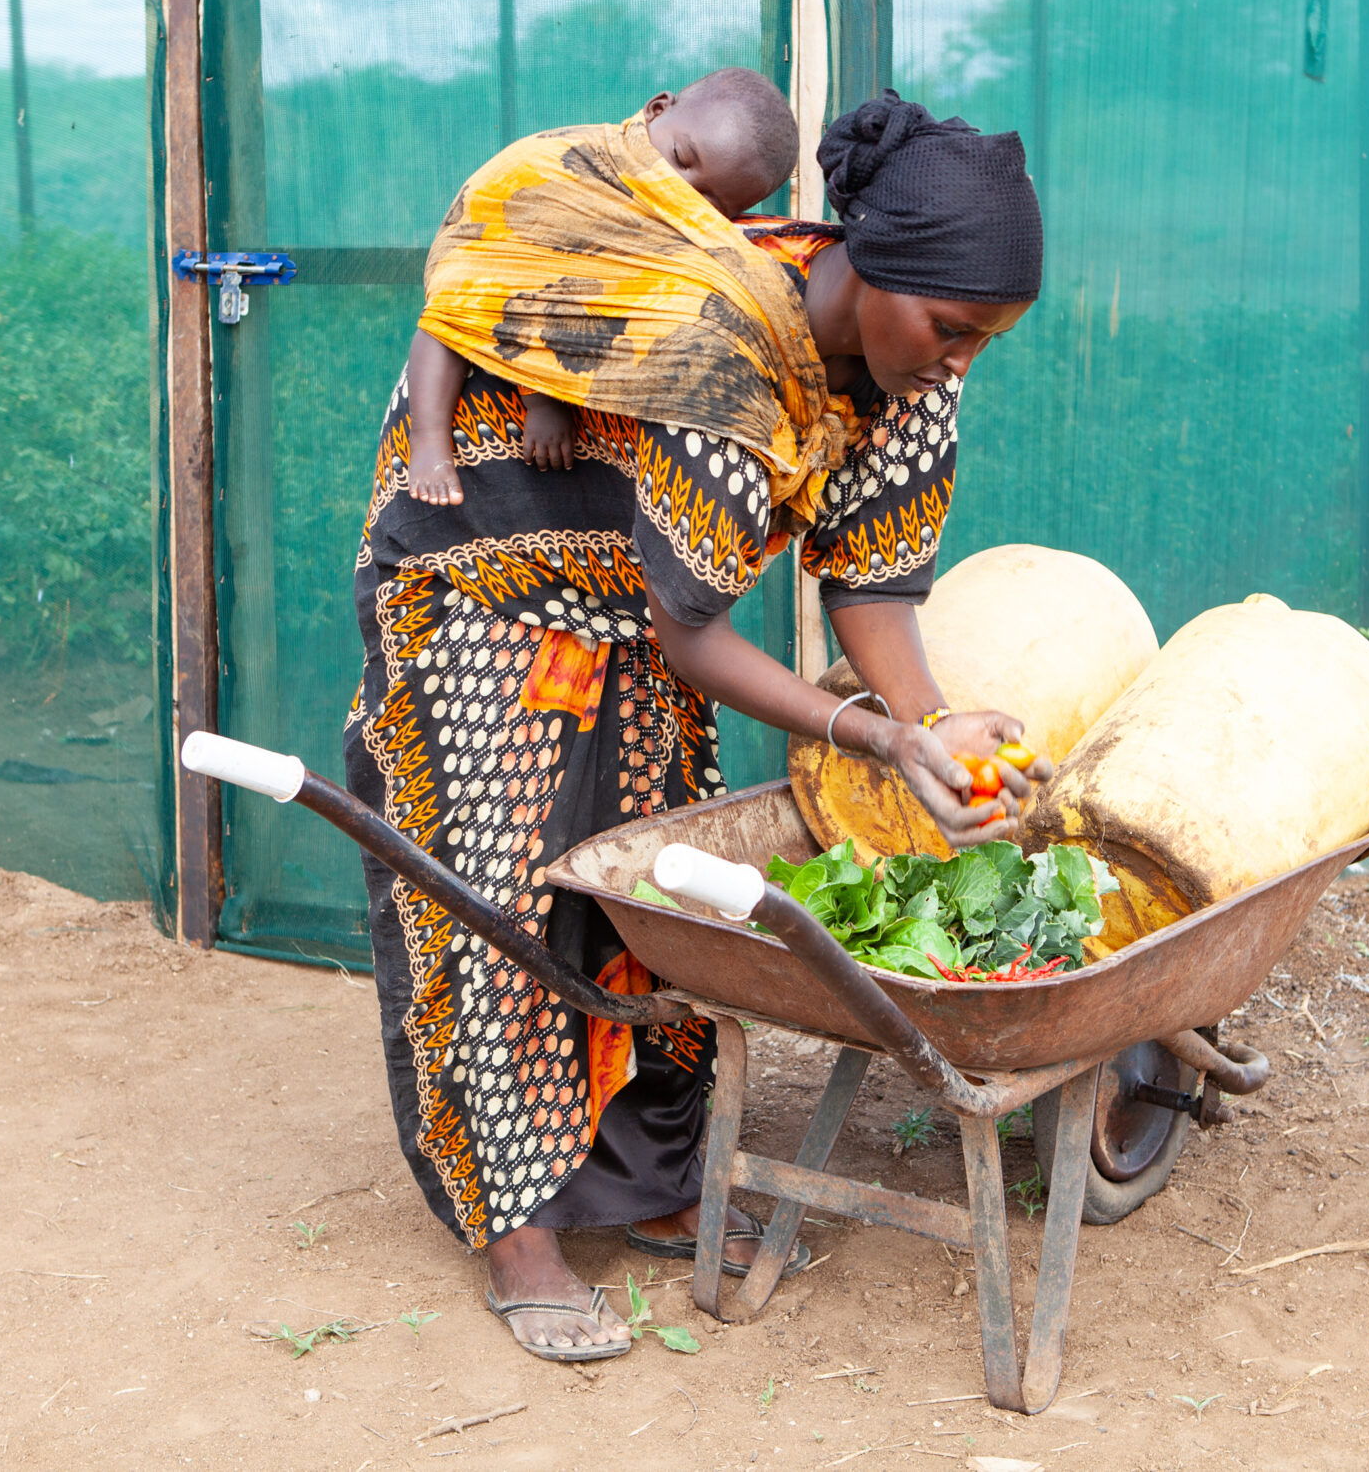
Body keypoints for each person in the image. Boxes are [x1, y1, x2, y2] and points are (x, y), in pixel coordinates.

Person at [344, 90, 1046, 1363]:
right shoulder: (723, 338)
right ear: (865, 262)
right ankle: (518, 1230)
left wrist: (934, 724)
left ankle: (654, 1179)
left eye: (987, 340)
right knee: (499, 887)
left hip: (645, 587)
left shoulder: (911, 381)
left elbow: (873, 577)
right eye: (949, 328)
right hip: (487, 573)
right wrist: (874, 738)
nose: (960, 359)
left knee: (656, 895)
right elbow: (697, 637)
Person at [403, 68, 800, 503]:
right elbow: (525, 280)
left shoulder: (683, 230)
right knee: (451, 314)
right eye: (682, 157)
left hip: (587, 349)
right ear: (657, 109)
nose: (679, 189)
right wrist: (540, 399)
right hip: (487, 270)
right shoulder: (576, 162)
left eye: (709, 201)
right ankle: (428, 443)